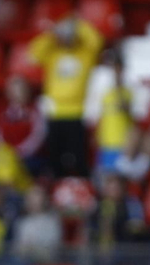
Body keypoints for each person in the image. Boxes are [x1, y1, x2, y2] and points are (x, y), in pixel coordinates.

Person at [27, 16, 103, 178]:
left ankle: (82, 188)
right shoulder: (54, 54)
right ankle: (57, 189)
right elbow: (34, 52)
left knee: (79, 158)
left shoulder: (84, 54)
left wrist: (78, 25)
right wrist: (52, 33)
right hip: (54, 113)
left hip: (76, 113)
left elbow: (96, 41)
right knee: (55, 159)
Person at [0, 74, 46, 174]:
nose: (17, 94)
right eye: (14, 90)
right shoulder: (3, 112)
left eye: (21, 90)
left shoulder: (35, 111)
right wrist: (7, 151)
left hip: (30, 157)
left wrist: (21, 151)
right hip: (8, 156)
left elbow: (38, 135)